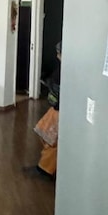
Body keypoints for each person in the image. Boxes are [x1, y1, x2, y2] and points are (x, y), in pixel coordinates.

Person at [32, 41, 61, 177]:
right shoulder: (61, 67)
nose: (57, 56)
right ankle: (45, 166)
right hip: (55, 108)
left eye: (59, 53)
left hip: (60, 110)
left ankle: (45, 169)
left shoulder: (68, 69)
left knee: (51, 139)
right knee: (42, 131)